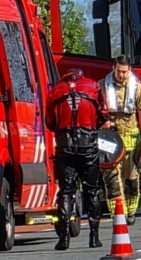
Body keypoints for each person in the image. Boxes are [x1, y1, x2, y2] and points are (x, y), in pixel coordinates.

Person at [45, 68, 120, 250]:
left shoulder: (55, 91)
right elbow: (103, 114)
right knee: (92, 190)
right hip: (88, 145)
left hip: (65, 146)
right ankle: (94, 237)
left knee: (66, 191)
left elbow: (49, 121)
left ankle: (64, 238)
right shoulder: (93, 87)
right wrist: (92, 128)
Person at [100, 55, 141, 225]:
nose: (122, 75)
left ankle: (130, 212)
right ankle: (117, 213)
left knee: (131, 178)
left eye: (125, 72)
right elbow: (93, 110)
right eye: (119, 71)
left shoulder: (136, 88)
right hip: (110, 141)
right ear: (113, 68)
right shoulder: (101, 86)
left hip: (131, 140)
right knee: (112, 179)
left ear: (129, 70)